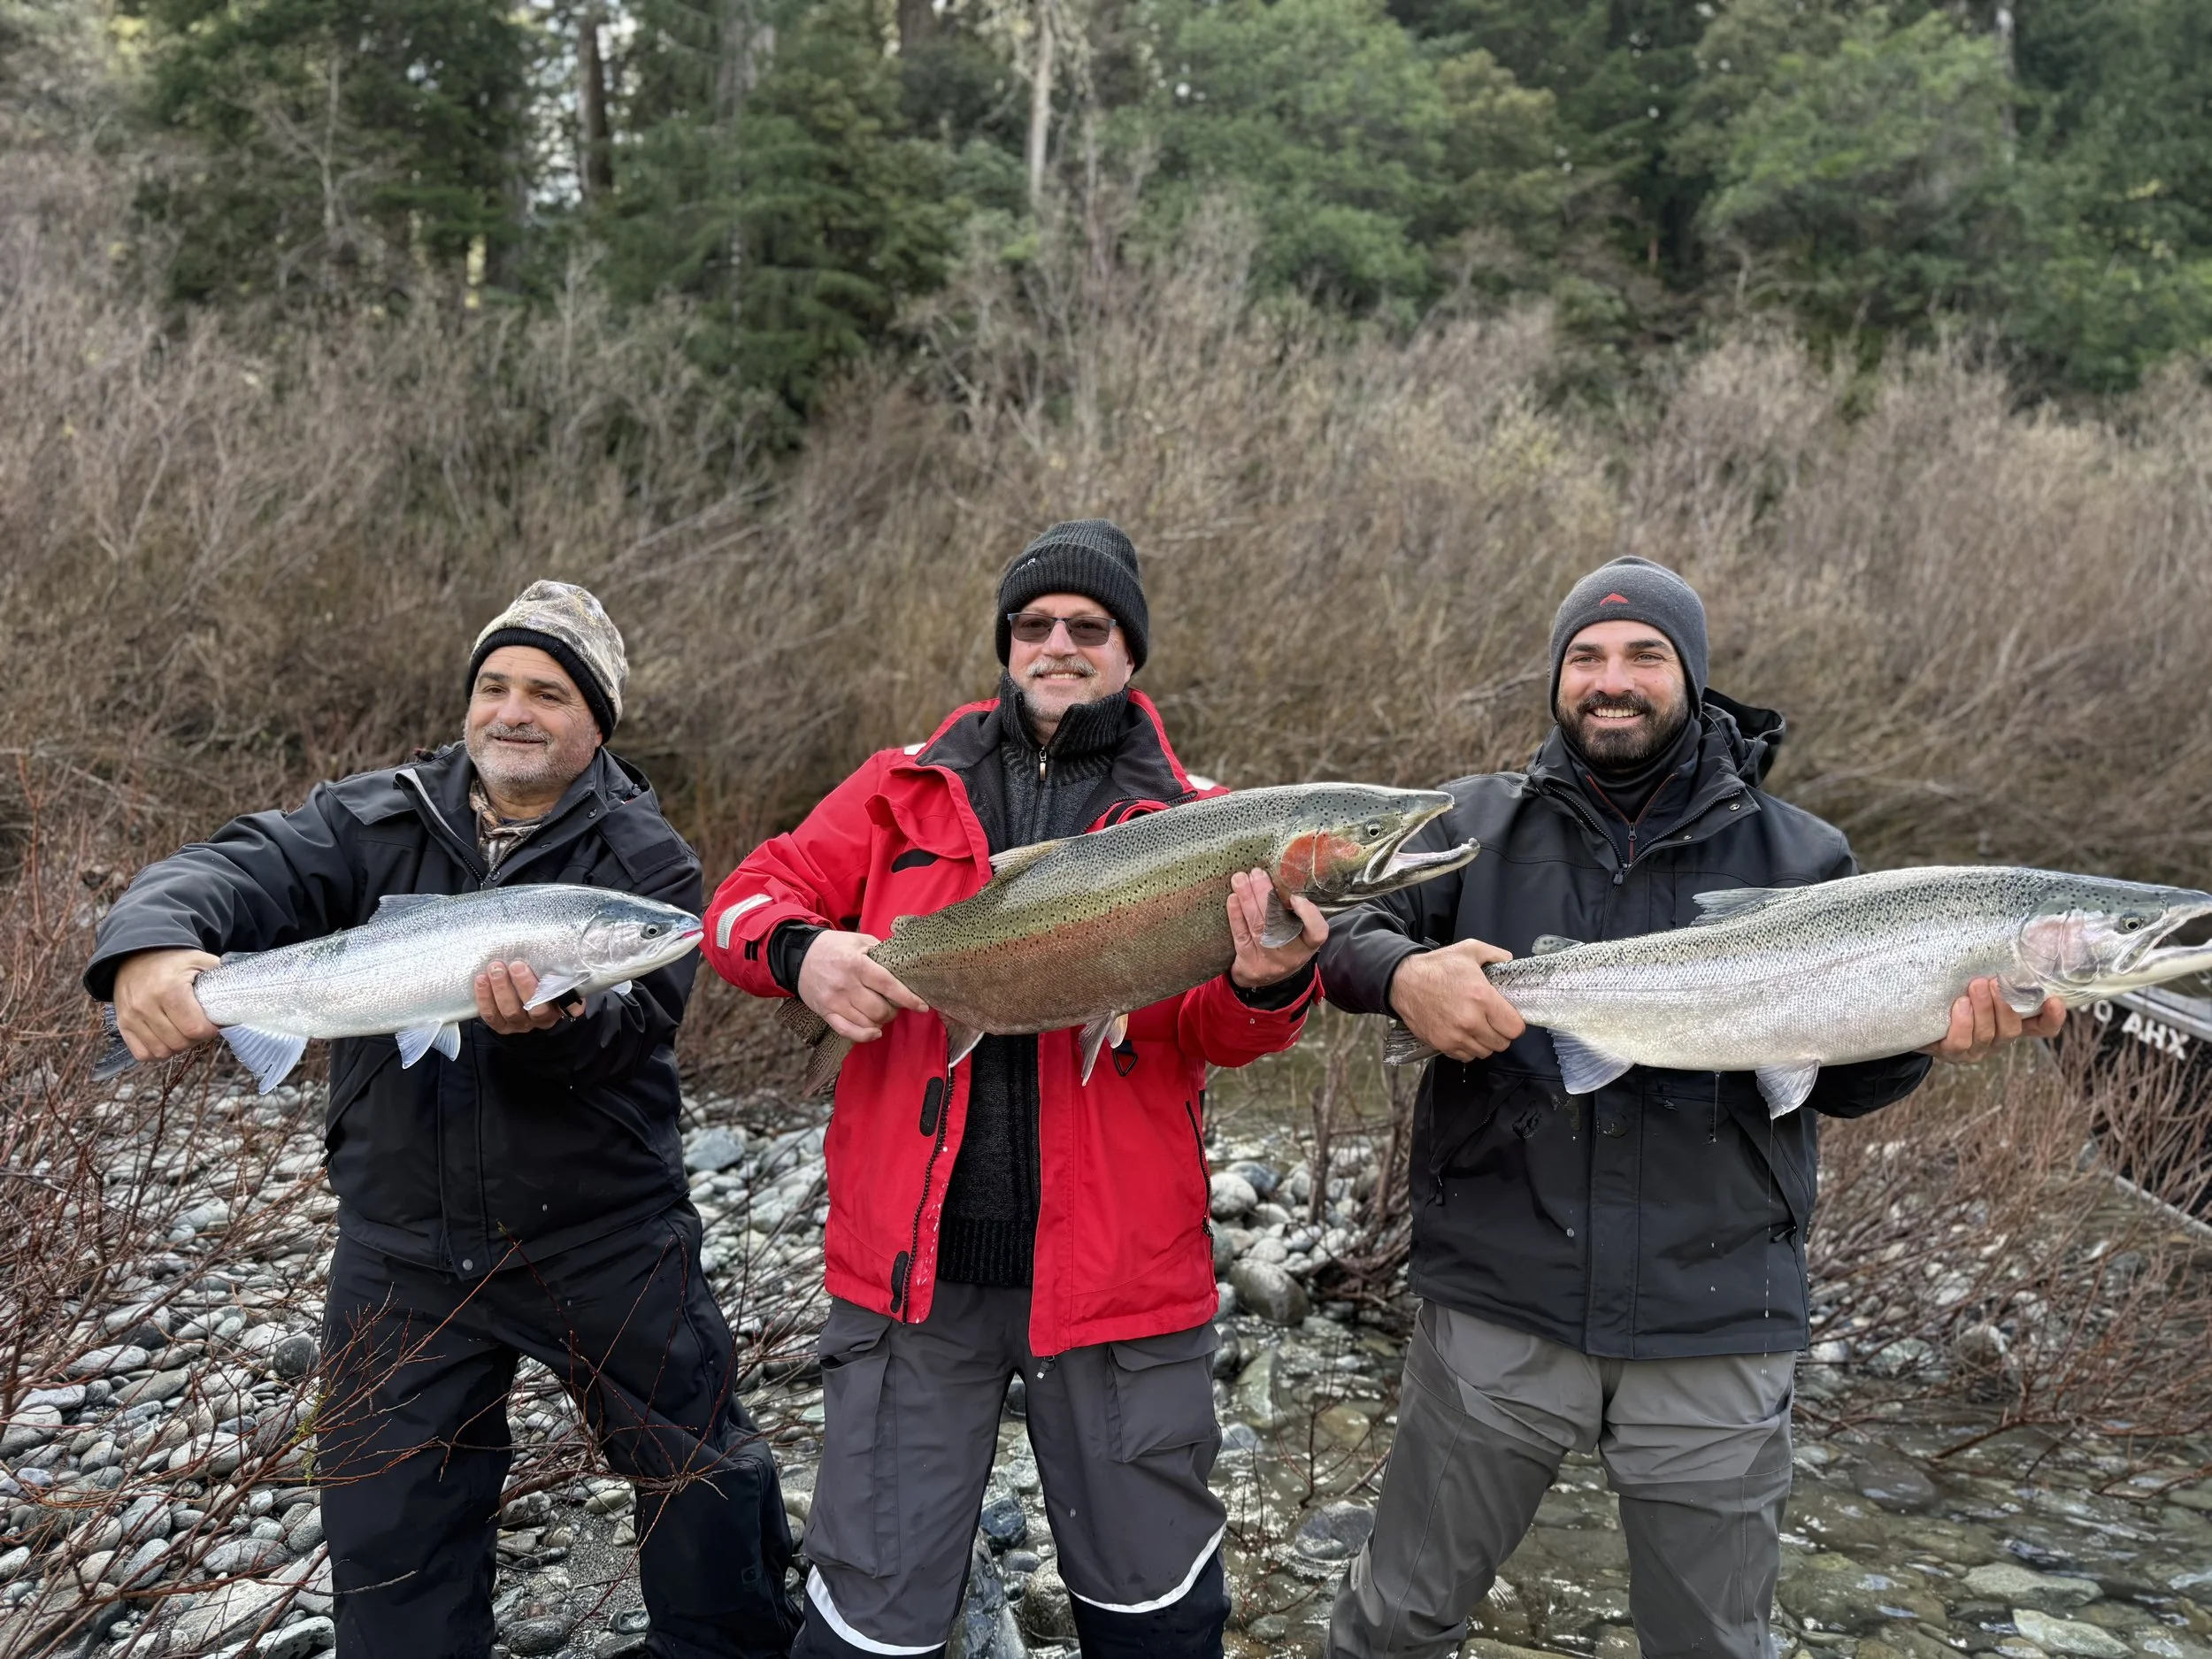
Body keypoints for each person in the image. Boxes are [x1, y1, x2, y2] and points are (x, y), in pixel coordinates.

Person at [1316, 557, 2065, 1659]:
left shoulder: (1806, 857)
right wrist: (1401, 976)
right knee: (1397, 1621)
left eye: (1642, 657)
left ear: (1693, 677)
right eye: (1586, 658)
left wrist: (1923, 1039)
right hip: (1497, 1295)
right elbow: (1324, 927)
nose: (1610, 681)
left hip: (1714, 1316)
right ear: (1558, 678)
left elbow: (1839, 1082)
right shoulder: (1468, 825)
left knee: (1712, 1645)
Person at [85, 581, 800, 1659]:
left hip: (601, 1238)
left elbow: (633, 1030)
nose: (514, 710)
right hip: (402, 1250)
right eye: (496, 686)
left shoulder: (643, 865)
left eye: (549, 693)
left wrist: (550, 1028)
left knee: (700, 1478)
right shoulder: (370, 815)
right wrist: (148, 941)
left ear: (595, 722)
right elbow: (233, 866)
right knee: (391, 1531)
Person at [704, 520, 1326, 1659]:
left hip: (1119, 1282)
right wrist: (805, 953)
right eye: (1034, 625)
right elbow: (746, 901)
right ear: (1005, 643)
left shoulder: (1204, 820)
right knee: (869, 1619)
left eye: (1087, 627)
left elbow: (1217, 1036)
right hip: (914, 1279)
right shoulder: (898, 788)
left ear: (1128, 651)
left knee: (1154, 1618)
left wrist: (1265, 982)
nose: (1058, 643)